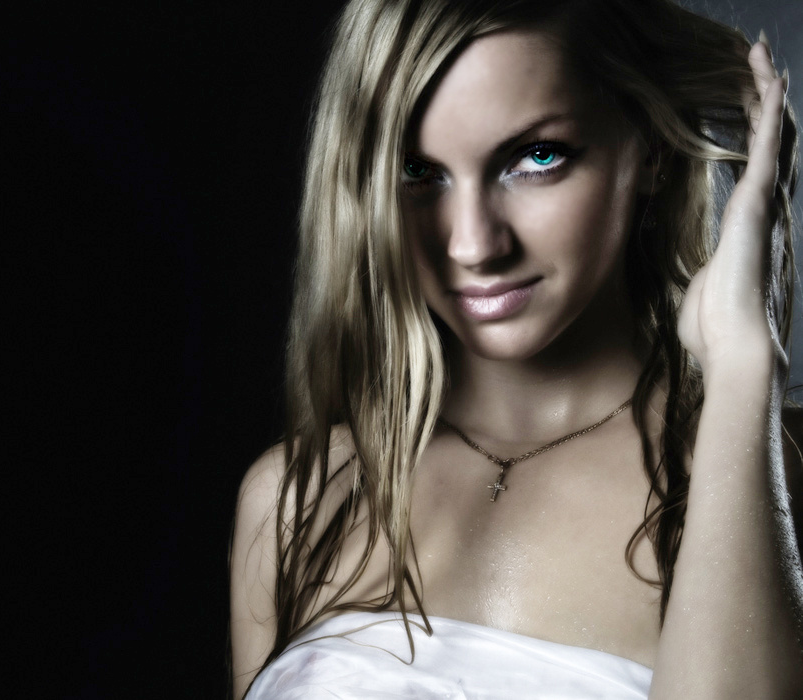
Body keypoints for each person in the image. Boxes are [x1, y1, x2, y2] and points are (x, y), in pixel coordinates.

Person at [229, 0, 803, 697]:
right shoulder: (296, 502)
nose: (473, 245)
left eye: (536, 157)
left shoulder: (770, 477)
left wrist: (741, 366)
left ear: (652, 147)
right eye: (418, 172)